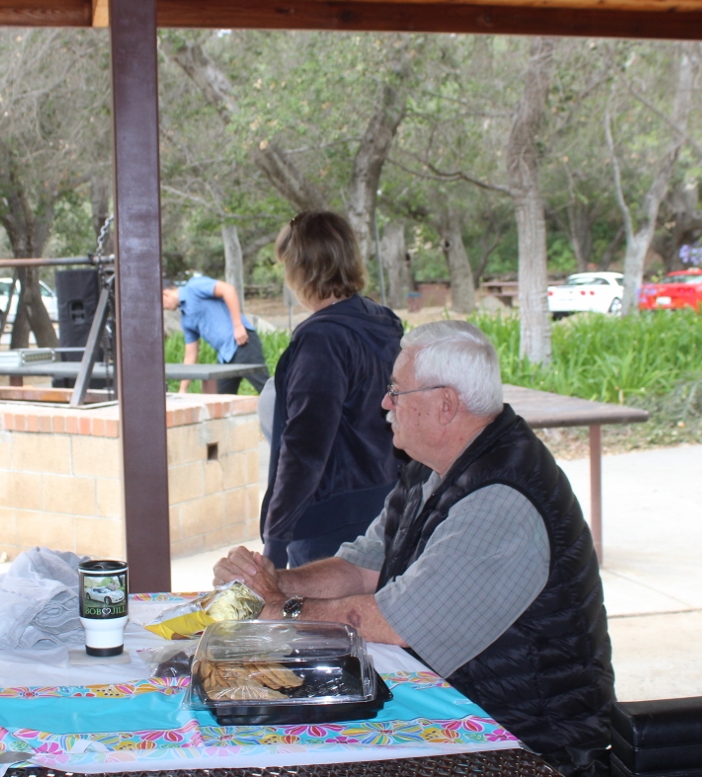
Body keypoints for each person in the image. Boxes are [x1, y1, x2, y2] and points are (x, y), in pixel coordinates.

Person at [215, 320, 614, 777]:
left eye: (396, 391)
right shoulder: (437, 468)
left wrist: (280, 608)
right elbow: (362, 565)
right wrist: (273, 582)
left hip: (524, 749)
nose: (385, 403)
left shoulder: (502, 498)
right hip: (461, 717)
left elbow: (396, 622)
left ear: (445, 405)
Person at [261, 211, 403, 569]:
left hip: (328, 523)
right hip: (384, 508)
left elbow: (305, 447)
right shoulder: (382, 322)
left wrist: (276, 539)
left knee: (320, 625)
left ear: (301, 267)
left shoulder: (322, 339)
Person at [162, 275, 268, 395]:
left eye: (161, 303)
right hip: (225, 356)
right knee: (219, 398)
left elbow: (228, 290)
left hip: (243, 342)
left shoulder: (194, 287)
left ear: (164, 294)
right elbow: (190, 355)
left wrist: (238, 325)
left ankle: (288, 411)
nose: (163, 308)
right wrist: (182, 390)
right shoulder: (186, 319)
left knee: (265, 388)